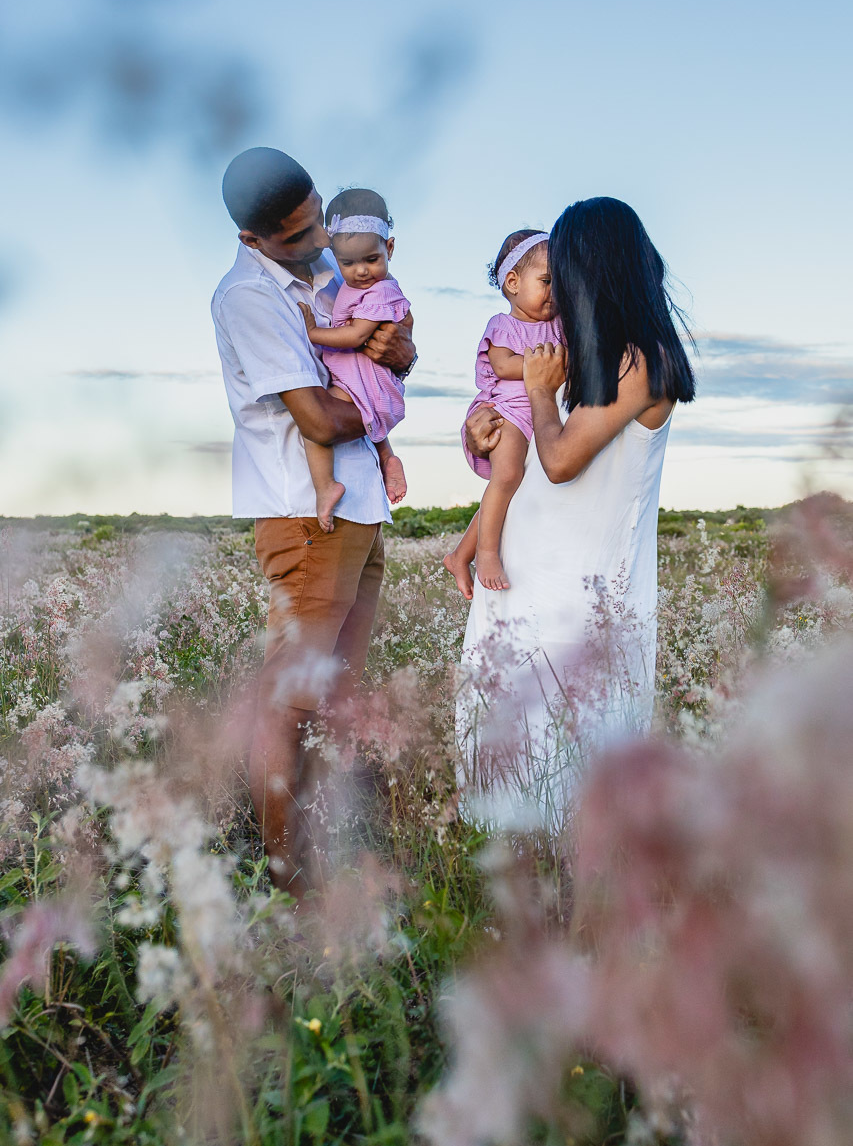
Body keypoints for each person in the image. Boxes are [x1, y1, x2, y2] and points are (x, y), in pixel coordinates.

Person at [211, 147, 416, 896]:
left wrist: (402, 351)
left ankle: (325, 855)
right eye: (295, 236)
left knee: (333, 694)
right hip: (306, 516)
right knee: (290, 700)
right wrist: (384, 384)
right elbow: (322, 420)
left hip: (357, 509)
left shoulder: (334, 274)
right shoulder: (249, 299)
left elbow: (388, 355)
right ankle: (282, 878)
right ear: (252, 241)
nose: (317, 242)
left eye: (316, 220)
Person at [457, 197, 695, 830]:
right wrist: (481, 437)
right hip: (528, 584)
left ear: (595, 268)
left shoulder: (642, 362)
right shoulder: (580, 359)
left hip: (582, 596)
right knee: (507, 773)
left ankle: (571, 909)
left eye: (561, 264)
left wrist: (538, 392)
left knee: (571, 770)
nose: (555, 283)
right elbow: (531, 468)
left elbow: (560, 460)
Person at [442, 229, 561, 595]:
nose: (555, 291)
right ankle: (487, 553)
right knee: (507, 476)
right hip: (507, 412)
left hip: (538, 413)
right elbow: (504, 366)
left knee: (514, 485)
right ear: (512, 282)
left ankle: (460, 554)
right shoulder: (503, 325)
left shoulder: (558, 325)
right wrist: (549, 361)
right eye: (546, 281)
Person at [299, 187, 409, 533]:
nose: (361, 271)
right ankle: (387, 457)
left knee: (316, 423)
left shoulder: (381, 291)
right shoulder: (362, 282)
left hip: (366, 377)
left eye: (371, 260)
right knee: (355, 414)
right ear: (334, 254)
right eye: (348, 262)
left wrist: (314, 332)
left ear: (389, 248)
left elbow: (356, 336)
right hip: (359, 374)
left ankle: (326, 485)